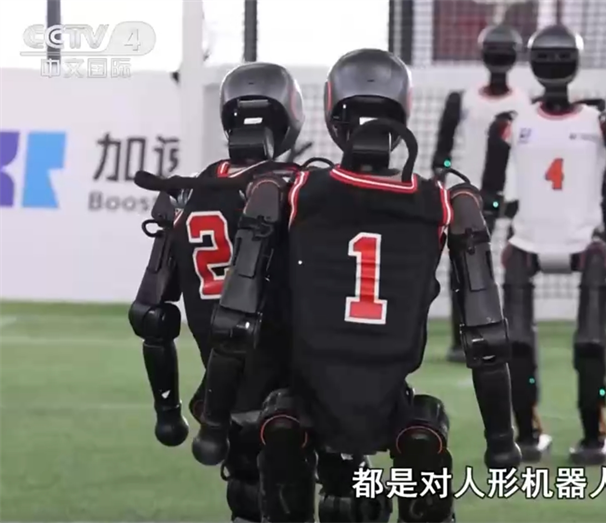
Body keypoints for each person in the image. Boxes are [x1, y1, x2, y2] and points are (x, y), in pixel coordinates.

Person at [146, 49, 521, 523]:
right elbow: (486, 334)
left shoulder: (290, 188)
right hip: (377, 386)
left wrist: (209, 422)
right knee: (408, 443)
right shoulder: (437, 199)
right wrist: (500, 438)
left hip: (283, 386)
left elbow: (214, 316)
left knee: (276, 443)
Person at [128, 62, 304, 523]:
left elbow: (151, 314)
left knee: (248, 497)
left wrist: (167, 410)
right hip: (298, 384)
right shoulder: (300, 188)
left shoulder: (187, 192)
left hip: (226, 392)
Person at [480, 24, 606, 466]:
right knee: (516, 343)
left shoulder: (602, 125)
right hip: (526, 240)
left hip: (586, 241)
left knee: (591, 342)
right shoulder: (511, 125)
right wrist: (477, 253)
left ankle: (593, 432)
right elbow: (491, 197)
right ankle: (526, 430)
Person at [431, 24, 532, 364]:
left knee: (517, 265)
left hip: (513, 193)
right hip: (470, 192)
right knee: (464, 264)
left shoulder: (524, 103)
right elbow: (442, 150)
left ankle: (516, 333)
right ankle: (462, 338)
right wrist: (441, 179)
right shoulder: (463, 99)